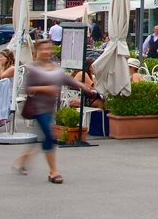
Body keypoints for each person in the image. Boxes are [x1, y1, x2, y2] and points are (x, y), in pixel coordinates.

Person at [12, 39, 97, 184]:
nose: (46, 52)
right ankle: (53, 171)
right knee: (50, 136)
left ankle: (23, 159)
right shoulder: (34, 69)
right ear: (37, 51)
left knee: (46, 137)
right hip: (38, 108)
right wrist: (46, 89)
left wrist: (84, 87)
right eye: (43, 49)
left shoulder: (56, 68)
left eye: (48, 49)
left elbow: (68, 80)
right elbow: (27, 89)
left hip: (50, 108)